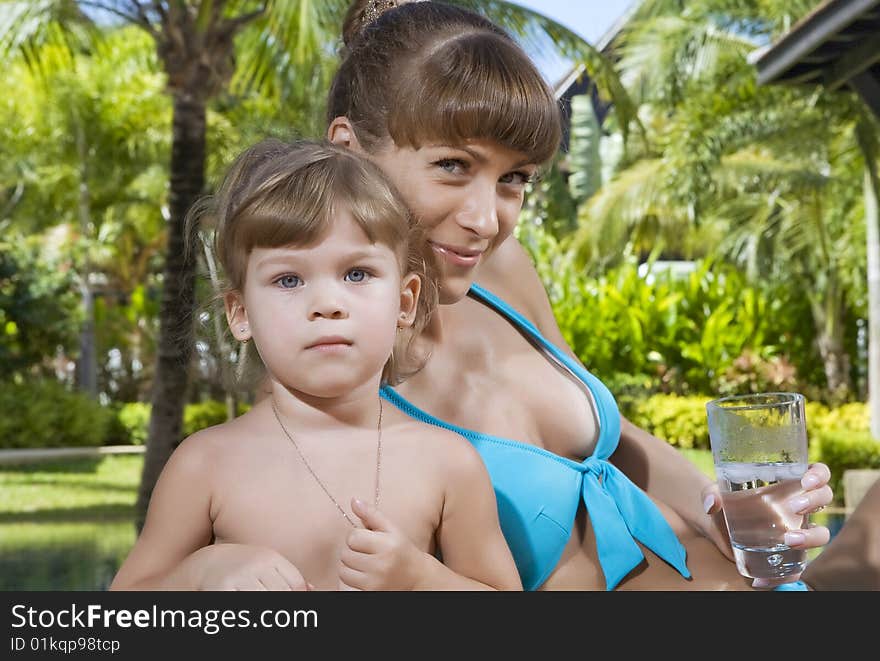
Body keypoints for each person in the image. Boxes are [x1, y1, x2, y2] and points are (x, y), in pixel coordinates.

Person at [316, 0, 835, 591]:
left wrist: (719, 509)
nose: (488, 220)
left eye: (514, 178)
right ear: (349, 150)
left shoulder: (498, 270)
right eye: (453, 165)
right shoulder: (328, 367)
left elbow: (616, 444)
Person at [109, 139, 522, 591]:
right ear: (240, 313)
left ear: (405, 302)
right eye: (289, 279)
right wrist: (200, 575)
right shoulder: (205, 465)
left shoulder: (447, 463)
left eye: (357, 274)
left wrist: (421, 579)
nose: (327, 304)